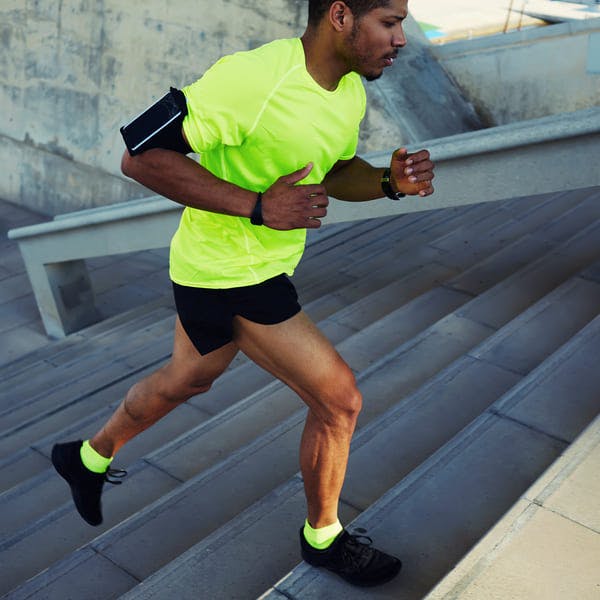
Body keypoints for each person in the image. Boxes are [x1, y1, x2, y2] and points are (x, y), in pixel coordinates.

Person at [52, 0, 435, 588]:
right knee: (340, 401)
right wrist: (257, 206)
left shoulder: (349, 90)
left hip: (244, 264)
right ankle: (323, 538)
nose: (402, 38)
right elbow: (140, 154)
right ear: (340, 16)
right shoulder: (252, 78)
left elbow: (330, 169)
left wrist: (386, 181)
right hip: (230, 273)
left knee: (189, 378)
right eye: (390, 22)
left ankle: (86, 457)